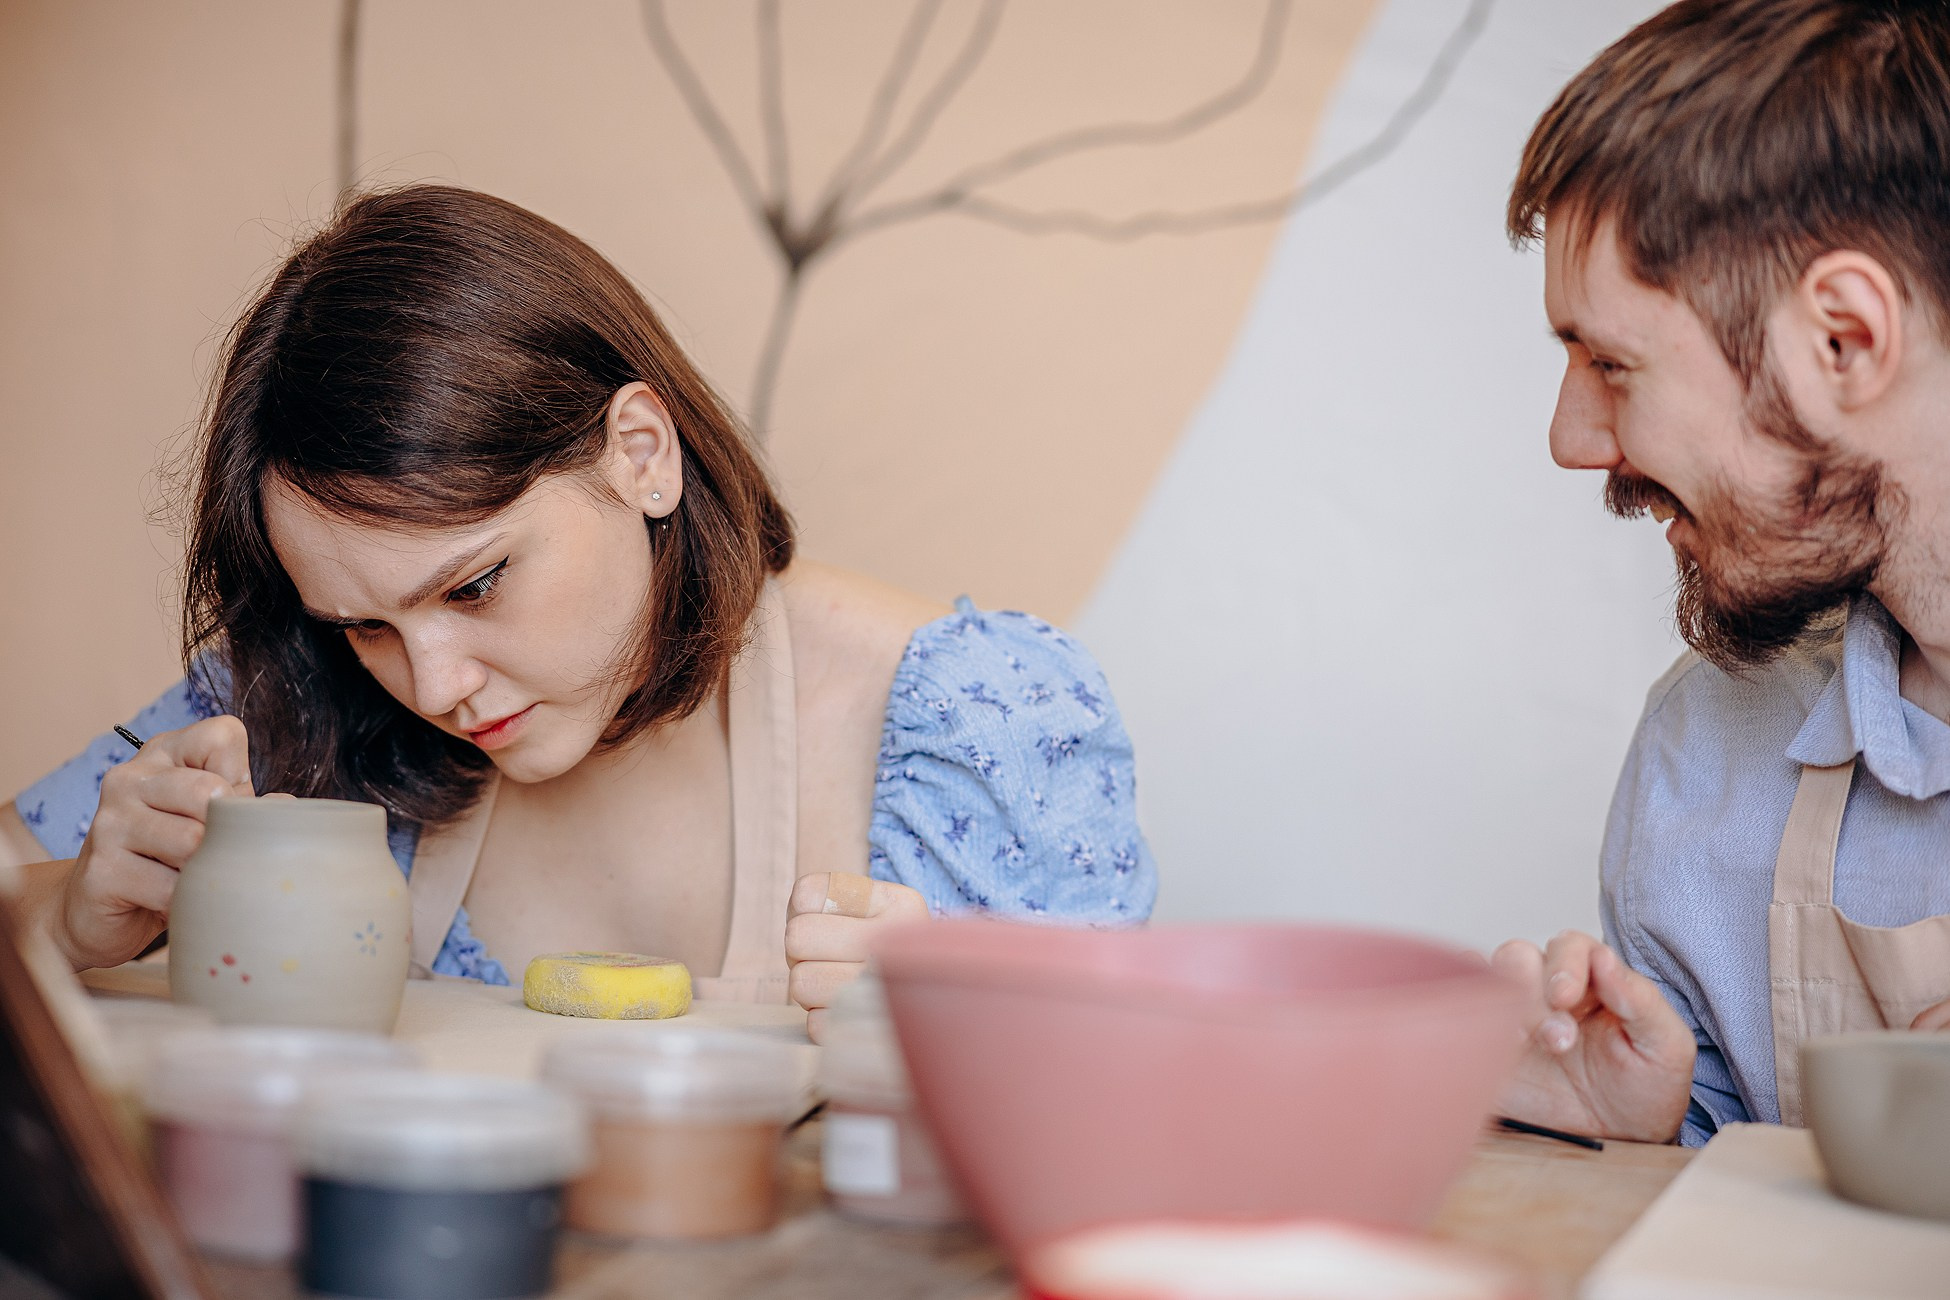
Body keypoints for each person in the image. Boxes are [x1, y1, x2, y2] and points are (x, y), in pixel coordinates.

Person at [0, 185, 1157, 1039]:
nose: (435, 682)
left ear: (641, 456)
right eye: (366, 623)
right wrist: (65, 918)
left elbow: (1148, 1152)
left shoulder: (984, 715)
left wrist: (995, 1041)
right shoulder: (301, 702)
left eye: (474, 584)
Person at [1489, 0, 1950, 1146]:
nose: (1573, 439)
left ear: (1843, 340)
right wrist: (1636, 1140)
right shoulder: (1704, 753)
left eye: (1612, 362)